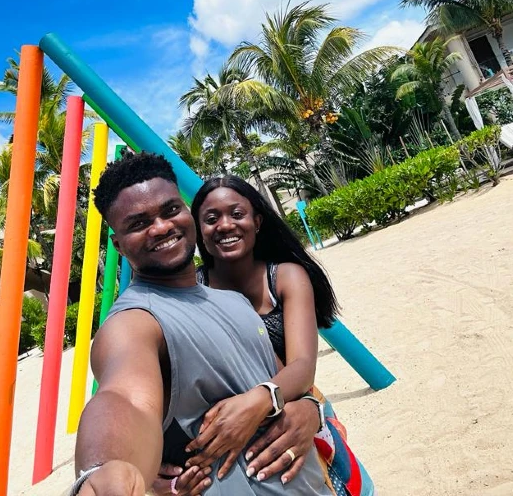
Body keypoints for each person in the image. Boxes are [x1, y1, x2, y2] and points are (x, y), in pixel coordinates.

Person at [72, 153, 332, 496]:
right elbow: (124, 396)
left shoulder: (231, 300)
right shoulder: (135, 321)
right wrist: (104, 469)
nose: (162, 227)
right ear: (118, 245)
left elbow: (282, 377)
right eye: (138, 223)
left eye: (170, 210)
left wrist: (308, 407)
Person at [155, 175, 377, 496]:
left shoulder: (284, 276)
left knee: (337, 482)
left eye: (237, 214)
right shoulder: (194, 290)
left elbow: (301, 365)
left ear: (257, 221)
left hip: (294, 402)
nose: (225, 225)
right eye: (211, 219)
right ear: (198, 229)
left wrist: (260, 400)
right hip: (228, 426)